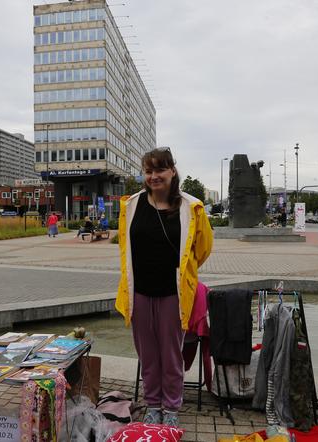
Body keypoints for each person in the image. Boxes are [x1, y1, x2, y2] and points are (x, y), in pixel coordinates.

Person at [115, 148, 213, 427]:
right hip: (139, 292)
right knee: (147, 355)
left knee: (171, 355)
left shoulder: (191, 208)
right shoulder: (131, 205)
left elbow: (203, 249)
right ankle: (153, 404)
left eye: (160, 170)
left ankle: (171, 407)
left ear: (172, 171)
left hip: (173, 293)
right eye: (149, 171)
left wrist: (185, 272)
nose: (154, 176)